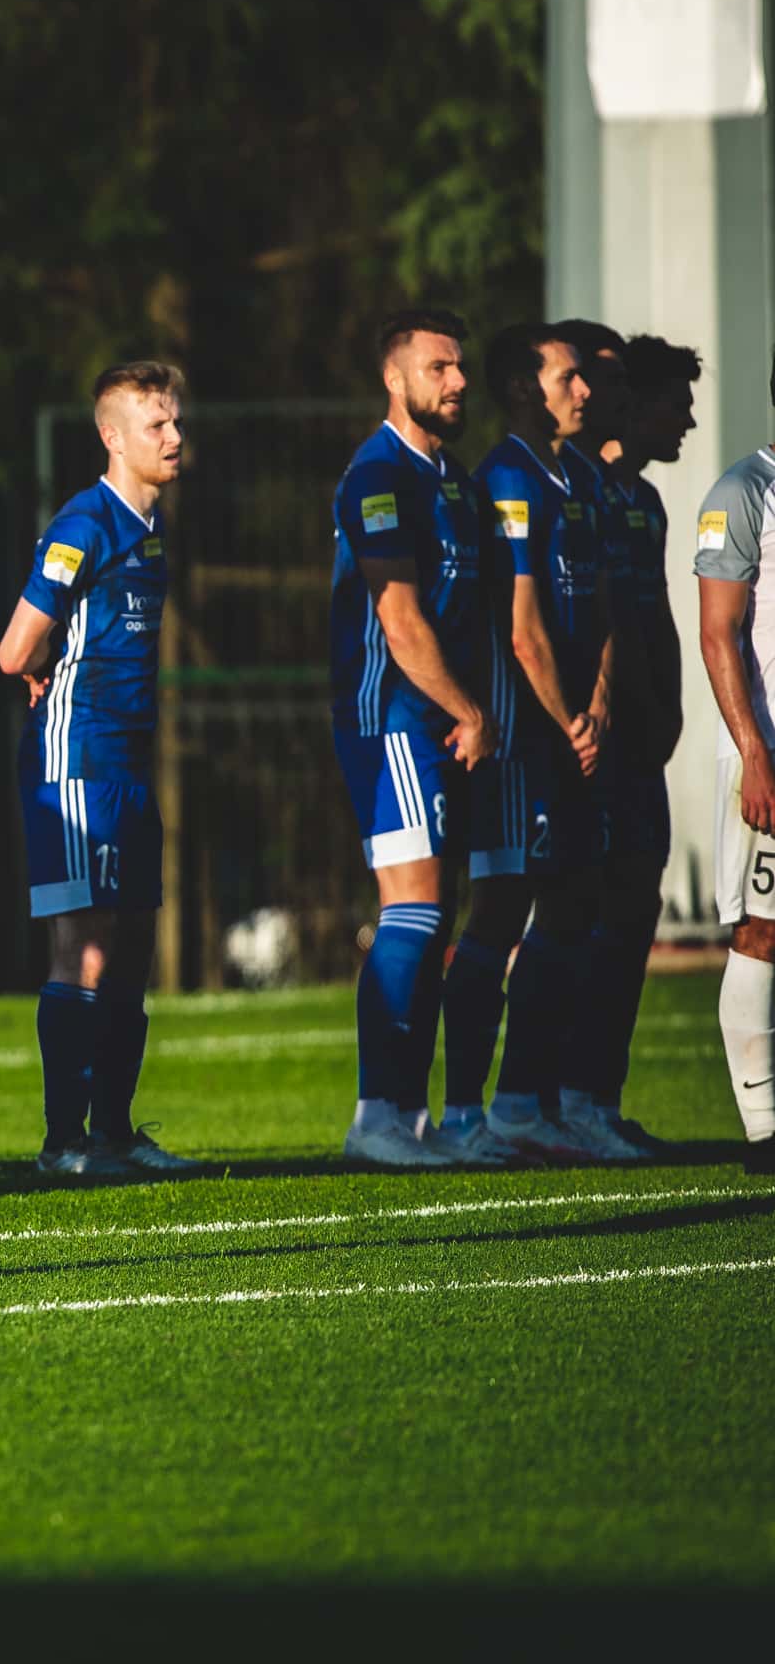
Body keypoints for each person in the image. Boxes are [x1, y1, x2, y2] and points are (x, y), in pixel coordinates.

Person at [0, 361, 205, 1177]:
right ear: (113, 437)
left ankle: (115, 1133)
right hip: (76, 757)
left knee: (133, 948)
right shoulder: (85, 523)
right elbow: (14, 647)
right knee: (83, 949)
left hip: (129, 762)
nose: (175, 436)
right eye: (158, 424)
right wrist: (39, 665)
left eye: (176, 420)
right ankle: (64, 1142)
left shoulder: (151, 528)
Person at [437, 323, 621, 1161]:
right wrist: (567, 718)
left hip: (574, 731)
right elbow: (522, 629)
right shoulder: (506, 478)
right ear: (522, 389)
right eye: (567, 377)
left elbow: (602, 608)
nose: (584, 391)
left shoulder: (579, 476)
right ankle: (467, 1109)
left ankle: (530, 1097)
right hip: (522, 738)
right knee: (503, 905)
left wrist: (600, 702)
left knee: (575, 903)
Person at [327, 307, 497, 1167]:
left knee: (438, 917)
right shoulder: (378, 474)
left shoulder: (453, 481)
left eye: (460, 366)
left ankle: (411, 1112)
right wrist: (469, 711)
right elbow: (399, 621)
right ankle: (376, 1115)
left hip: (443, 723)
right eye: (439, 367)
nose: (458, 381)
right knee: (414, 908)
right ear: (394, 379)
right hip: (394, 715)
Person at [571, 334, 697, 1152]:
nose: (686, 420)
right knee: (590, 909)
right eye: (674, 403)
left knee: (636, 906)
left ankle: (600, 1099)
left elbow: (656, 614)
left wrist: (672, 705)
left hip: (643, 743)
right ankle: (564, 1096)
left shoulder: (643, 501)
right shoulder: (582, 489)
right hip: (597, 743)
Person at [692, 386, 775, 1180]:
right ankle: (762, 1131)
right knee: (763, 930)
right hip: (768, 754)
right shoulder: (745, 490)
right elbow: (718, 634)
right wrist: (754, 752)